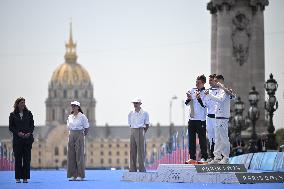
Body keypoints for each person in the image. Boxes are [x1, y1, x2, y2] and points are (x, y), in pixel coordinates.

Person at [205, 75, 236, 164]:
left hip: (223, 118)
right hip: (217, 117)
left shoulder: (224, 91)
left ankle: (225, 157)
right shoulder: (220, 91)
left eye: (216, 81)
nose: (214, 82)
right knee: (217, 139)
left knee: (224, 138)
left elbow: (221, 100)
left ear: (219, 81)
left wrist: (209, 95)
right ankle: (217, 157)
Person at [9, 97, 34, 183]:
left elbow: (32, 125)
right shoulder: (12, 115)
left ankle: (25, 178)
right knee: (18, 159)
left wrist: (29, 133)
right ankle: (18, 178)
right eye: (21, 102)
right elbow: (11, 127)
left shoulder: (29, 114)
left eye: (24, 102)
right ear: (17, 104)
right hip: (17, 140)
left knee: (27, 159)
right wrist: (18, 133)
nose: (23, 104)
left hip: (27, 139)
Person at [185, 75, 208, 164]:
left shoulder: (206, 92)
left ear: (203, 83)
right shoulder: (192, 90)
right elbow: (186, 103)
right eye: (196, 82)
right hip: (191, 119)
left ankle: (204, 157)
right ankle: (192, 158)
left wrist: (198, 98)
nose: (197, 84)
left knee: (202, 139)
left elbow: (205, 105)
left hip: (201, 119)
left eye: (198, 83)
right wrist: (189, 99)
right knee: (191, 139)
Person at [67, 101, 89, 181]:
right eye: (72, 106)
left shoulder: (82, 116)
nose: (73, 107)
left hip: (79, 133)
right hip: (71, 134)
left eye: (74, 106)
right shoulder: (70, 117)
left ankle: (80, 175)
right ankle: (73, 175)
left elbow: (86, 127)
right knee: (71, 156)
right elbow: (68, 127)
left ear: (78, 107)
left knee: (79, 156)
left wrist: (83, 135)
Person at [128, 97, 149, 172]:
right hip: (133, 130)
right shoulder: (131, 113)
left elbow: (147, 124)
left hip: (140, 130)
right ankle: (132, 168)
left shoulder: (145, 113)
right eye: (134, 103)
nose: (135, 104)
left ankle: (142, 168)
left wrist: (142, 132)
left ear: (140, 104)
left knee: (141, 151)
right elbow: (130, 124)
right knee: (132, 150)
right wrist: (134, 130)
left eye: (136, 103)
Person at [206, 74, 218, 161]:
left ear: (215, 81)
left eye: (211, 80)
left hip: (217, 117)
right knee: (211, 137)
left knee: (217, 137)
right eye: (209, 80)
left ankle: (218, 156)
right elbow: (204, 104)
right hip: (209, 117)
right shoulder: (207, 91)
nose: (209, 81)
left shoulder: (220, 91)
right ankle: (211, 156)